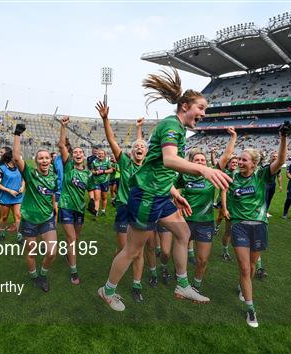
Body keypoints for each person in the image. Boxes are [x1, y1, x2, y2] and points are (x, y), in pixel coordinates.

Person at [98, 68, 231, 311]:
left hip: (160, 195)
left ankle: (182, 284)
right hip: (147, 197)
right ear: (184, 106)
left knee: (183, 234)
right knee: (132, 250)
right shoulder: (172, 125)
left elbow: (160, 168)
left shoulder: (178, 128)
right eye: (200, 108)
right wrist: (203, 170)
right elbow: (169, 160)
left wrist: (175, 193)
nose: (203, 113)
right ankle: (107, 291)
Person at [224, 125, 288, 328]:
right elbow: (222, 164)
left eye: (243, 159)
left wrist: (283, 138)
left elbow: (280, 161)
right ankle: (251, 311)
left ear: (253, 163)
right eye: (239, 159)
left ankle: (244, 286)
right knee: (244, 267)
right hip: (239, 226)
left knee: (251, 266)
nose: (239, 162)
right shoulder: (232, 178)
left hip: (259, 225)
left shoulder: (261, 175)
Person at [96, 102, 152, 302]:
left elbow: (141, 144)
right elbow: (111, 139)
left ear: (146, 152)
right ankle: (113, 283)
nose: (139, 148)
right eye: (136, 147)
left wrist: (139, 129)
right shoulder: (125, 162)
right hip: (124, 209)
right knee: (123, 249)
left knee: (138, 251)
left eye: (142, 147)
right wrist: (105, 119)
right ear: (131, 152)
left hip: (142, 211)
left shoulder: (149, 167)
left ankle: (136, 285)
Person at [180, 128, 237, 295]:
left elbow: (226, 157)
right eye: (197, 160)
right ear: (191, 162)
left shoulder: (211, 176)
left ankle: (196, 285)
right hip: (186, 222)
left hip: (205, 223)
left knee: (202, 260)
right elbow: (168, 186)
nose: (200, 162)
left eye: (203, 160)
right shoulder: (184, 176)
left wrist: (233, 137)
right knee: (180, 256)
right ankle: (182, 281)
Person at [13, 123, 58, 292]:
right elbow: (17, 158)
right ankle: (34, 276)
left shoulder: (54, 177)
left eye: (47, 158)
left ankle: (43, 273)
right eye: (41, 158)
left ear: (50, 160)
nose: (44, 161)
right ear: (36, 160)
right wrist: (17, 134)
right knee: (31, 253)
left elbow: (53, 195)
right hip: (29, 220)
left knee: (52, 252)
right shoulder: (30, 174)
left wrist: (55, 209)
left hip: (47, 219)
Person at [57, 116, 90, 285]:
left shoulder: (87, 173)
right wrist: (64, 127)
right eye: (75, 152)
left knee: (75, 239)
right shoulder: (68, 165)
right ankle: (74, 271)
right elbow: (62, 145)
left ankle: (67, 253)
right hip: (65, 206)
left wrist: (94, 201)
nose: (77, 154)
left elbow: (91, 189)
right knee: (71, 239)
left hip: (80, 208)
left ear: (84, 156)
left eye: (80, 153)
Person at [0, 149, 25, 242]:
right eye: (17, 156)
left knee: (18, 215)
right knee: (4, 217)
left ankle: (19, 236)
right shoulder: (2, 168)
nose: (19, 158)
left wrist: (22, 186)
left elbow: (24, 179)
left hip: (18, 196)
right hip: (6, 197)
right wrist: (9, 190)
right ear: (11, 158)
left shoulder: (20, 167)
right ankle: (2, 232)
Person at [90, 148, 113, 216]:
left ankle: (103, 210)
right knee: (97, 198)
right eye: (99, 154)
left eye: (102, 154)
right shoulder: (94, 162)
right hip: (96, 181)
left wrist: (103, 171)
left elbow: (111, 170)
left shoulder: (107, 161)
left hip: (105, 181)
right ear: (97, 154)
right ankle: (95, 212)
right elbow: (92, 170)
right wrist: (95, 172)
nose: (101, 155)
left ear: (104, 155)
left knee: (104, 197)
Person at [265, 151, 283, 218]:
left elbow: (279, 176)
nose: (275, 158)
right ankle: (264, 212)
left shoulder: (278, 167)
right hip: (265, 184)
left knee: (269, 198)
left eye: (276, 156)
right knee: (265, 198)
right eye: (273, 156)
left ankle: (266, 211)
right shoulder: (266, 166)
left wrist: (280, 185)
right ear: (271, 157)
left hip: (273, 184)